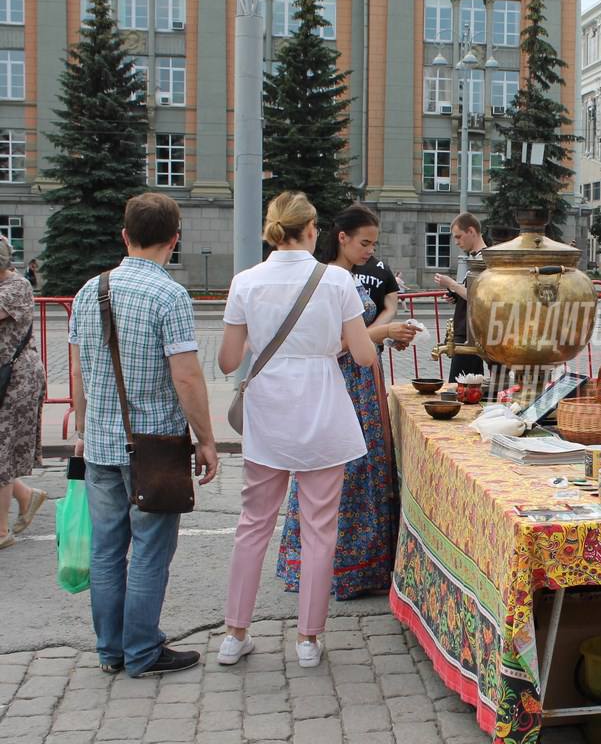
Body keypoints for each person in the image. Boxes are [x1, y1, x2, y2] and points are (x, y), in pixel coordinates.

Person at [217, 191, 378, 669]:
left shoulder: (245, 281)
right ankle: (308, 640)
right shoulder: (335, 281)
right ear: (312, 231)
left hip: (269, 411)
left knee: (253, 525)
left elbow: (228, 361)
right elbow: (365, 354)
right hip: (323, 407)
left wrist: (258, 337)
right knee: (319, 529)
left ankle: (234, 634)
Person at [68, 193, 219, 677]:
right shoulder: (169, 295)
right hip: (154, 448)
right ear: (175, 240)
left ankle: (111, 650)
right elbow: (188, 377)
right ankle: (141, 652)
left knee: (107, 552)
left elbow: (79, 369)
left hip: (101, 445)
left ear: (124, 235)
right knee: (151, 551)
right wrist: (206, 438)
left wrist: (82, 425)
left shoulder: (90, 290)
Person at [276, 204, 417, 600]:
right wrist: (383, 329)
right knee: (345, 470)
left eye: (374, 243)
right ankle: (339, 568)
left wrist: (387, 331)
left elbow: (360, 334)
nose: (370, 250)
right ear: (341, 238)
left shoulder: (349, 277)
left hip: (362, 380)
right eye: (364, 242)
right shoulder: (328, 279)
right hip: (342, 385)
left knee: (365, 467)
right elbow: (334, 345)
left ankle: (364, 565)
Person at [0, 236, 47, 549]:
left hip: (16, 379)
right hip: (6, 377)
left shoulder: (17, 287)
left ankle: (1, 532)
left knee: (1, 453)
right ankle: (27, 496)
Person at [432, 212, 487, 382]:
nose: (456, 242)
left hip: (471, 335)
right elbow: (471, 292)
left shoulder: (484, 260)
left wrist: (452, 285)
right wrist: (456, 295)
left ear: (471, 231)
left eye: (458, 236)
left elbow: (480, 296)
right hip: (468, 333)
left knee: (460, 387)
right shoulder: (477, 259)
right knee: (470, 385)